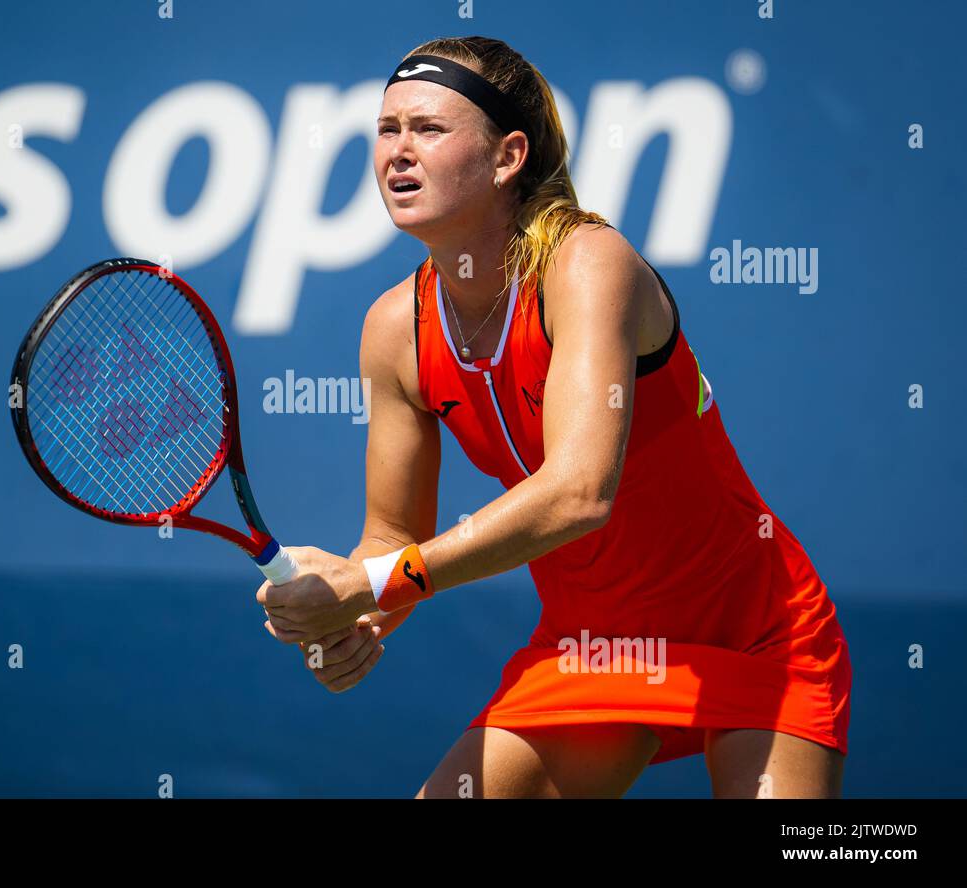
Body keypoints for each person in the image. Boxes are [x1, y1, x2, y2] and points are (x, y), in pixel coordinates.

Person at [256, 35, 851, 799]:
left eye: (429, 130)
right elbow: (392, 538)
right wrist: (352, 612)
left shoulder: (589, 265)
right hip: (591, 649)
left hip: (757, 634)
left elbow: (578, 494)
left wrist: (372, 585)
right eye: (386, 129)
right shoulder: (391, 331)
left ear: (507, 157)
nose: (398, 153)